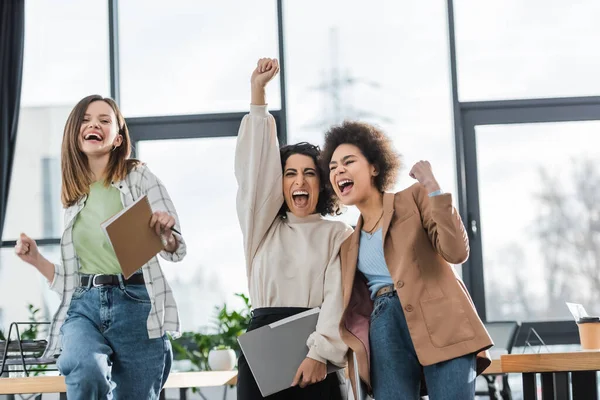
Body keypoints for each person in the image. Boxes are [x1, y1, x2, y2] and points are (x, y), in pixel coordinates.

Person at [14, 94, 186, 399]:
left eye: (104, 120)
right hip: (84, 306)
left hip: (136, 304)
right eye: (86, 119)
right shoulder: (74, 195)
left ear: (118, 138)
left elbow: (176, 248)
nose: (94, 124)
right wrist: (36, 259)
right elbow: (69, 278)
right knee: (85, 368)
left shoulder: (139, 177)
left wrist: (164, 232)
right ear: (75, 133)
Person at [321, 121, 493, 400]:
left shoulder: (414, 198)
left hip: (442, 321)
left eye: (348, 161)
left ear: (374, 167)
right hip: (385, 329)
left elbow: (456, 252)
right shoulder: (347, 245)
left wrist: (434, 189)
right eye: (332, 167)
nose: (338, 170)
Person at [235, 58, 352, 400]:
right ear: (280, 184)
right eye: (290, 173)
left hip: (316, 357)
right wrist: (258, 94)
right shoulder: (263, 228)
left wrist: (319, 354)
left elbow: (338, 299)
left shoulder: (339, 234)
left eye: (309, 173)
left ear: (322, 183)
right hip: (263, 356)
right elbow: (254, 171)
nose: (299, 181)